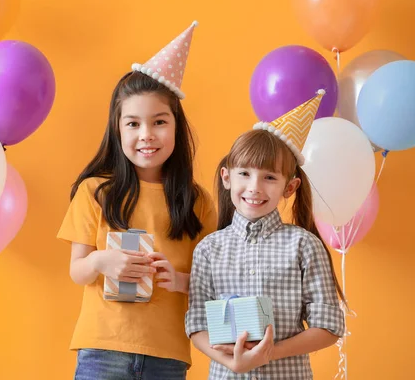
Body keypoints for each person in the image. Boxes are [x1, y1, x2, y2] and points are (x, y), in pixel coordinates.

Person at [57, 21, 217, 380]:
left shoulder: (197, 201)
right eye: (133, 124)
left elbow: (213, 282)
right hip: (102, 350)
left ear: (177, 126)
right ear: (117, 129)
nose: (147, 135)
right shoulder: (95, 191)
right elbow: (78, 270)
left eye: (159, 122)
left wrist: (177, 279)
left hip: (169, 355)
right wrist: (102, 260)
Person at [185, 90, 346, 379]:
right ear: (226, 177)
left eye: (269, 177)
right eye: (244, 174)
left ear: (290, 187)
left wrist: (269, 352)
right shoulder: (208, 249)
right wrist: (234, 361)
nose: (255, 187)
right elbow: (197, 325)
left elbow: (329, 327)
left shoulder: (303, 245)